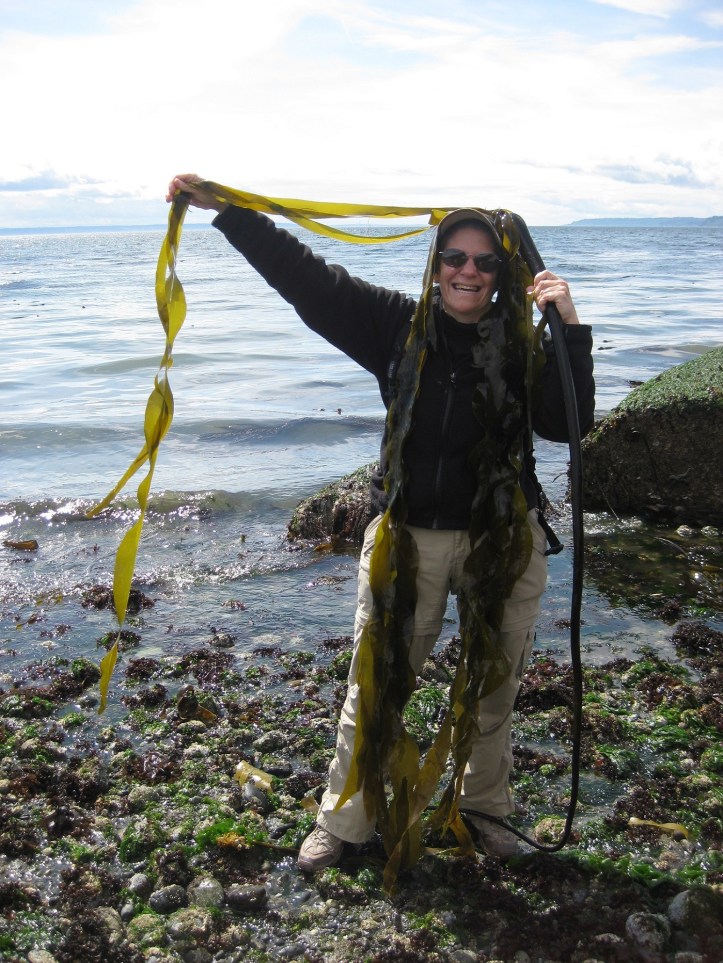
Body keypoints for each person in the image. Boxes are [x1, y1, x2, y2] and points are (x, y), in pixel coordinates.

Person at [166, 175, 595, 873]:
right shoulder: (394, 324)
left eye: (485, 262)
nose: (467, 271)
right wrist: (234, 213)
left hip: (503, 538)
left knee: (494, 688)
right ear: (436, 264)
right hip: (406, 537)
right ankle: (345, 821)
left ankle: (486, 811)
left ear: (504, 272)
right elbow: (309, 280)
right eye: (454, 257)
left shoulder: (523, 341)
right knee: (376, 685)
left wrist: (567, 327)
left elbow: (562, 422)